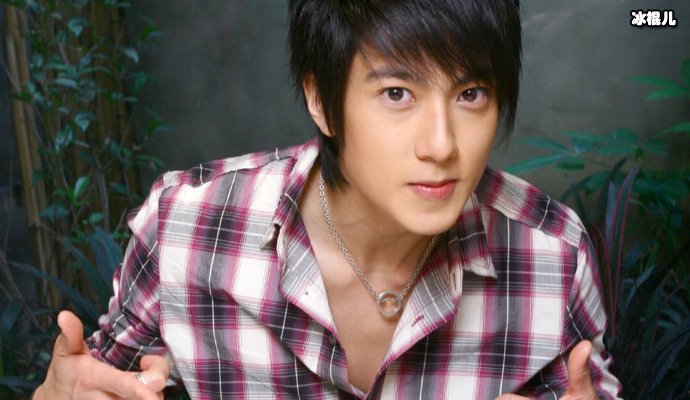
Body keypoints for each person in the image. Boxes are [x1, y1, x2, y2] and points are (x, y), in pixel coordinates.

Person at [33, 0, 622, 399]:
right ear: (321, 100)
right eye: (398, 93)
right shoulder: (187, 227)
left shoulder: (553, 256)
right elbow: (96, 384)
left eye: (470, 93)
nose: (442, 145)